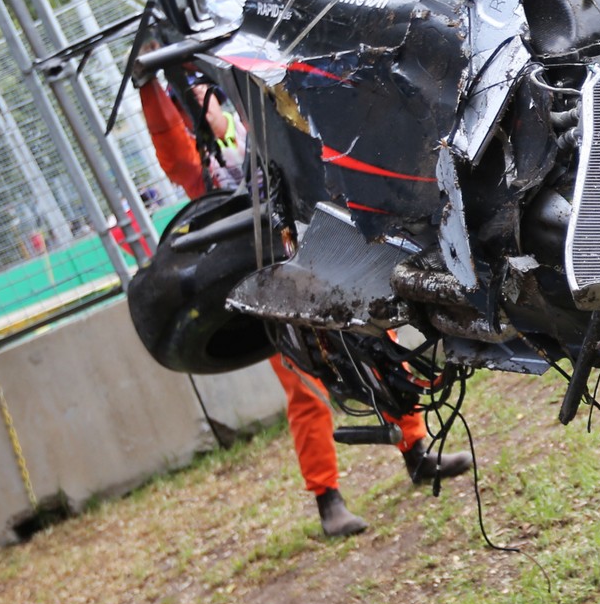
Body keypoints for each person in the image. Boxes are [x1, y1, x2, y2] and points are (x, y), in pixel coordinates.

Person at [137, 72, 470, 538]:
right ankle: (327, 500)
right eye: (187, 101)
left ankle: (417, 452)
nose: (199, 104)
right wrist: (149, 88)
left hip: (320, 259)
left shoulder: (257, 132)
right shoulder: (204, 167)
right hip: (273, 288)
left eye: (201, 93)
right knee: (305, 389)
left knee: (380, 350)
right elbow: (169, 146)